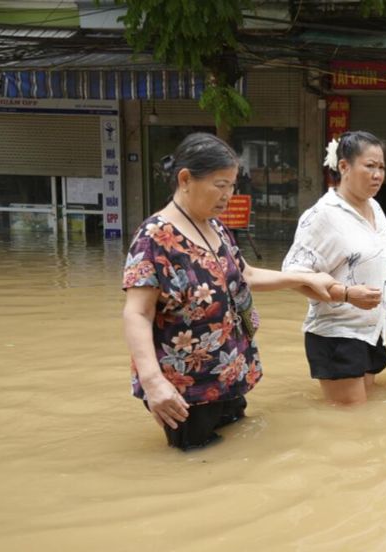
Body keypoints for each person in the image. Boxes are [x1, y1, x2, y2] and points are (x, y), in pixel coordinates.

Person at [122, 132, 339, 450]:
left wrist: (303, 280)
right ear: (185, 179)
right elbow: (137, 313)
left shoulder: (216, 227)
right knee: (195, 462)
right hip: (186, 389)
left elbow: (245, 274)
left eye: (232, 186)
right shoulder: (153, 238)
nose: (228, 195)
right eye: (220, 185)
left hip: (229, 374)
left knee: (236, 450)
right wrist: (154, 382)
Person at [282, 131, 386, 406]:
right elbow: (293, 276)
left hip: (372, 332)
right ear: (344, 166)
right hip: (337, 336)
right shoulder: (322, 216)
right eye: (370, 166)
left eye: (382, 167)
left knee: (363, 419)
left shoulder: (375, 208)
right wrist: (346, 294)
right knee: (350, 425)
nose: (378, 175)